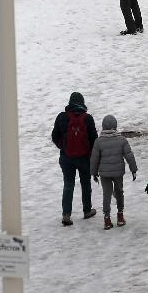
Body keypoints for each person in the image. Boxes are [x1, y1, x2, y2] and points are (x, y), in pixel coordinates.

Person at [51, 92, 99, 226]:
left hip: (66, 157)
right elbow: (94, 139)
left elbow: (54, 136)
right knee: (85, 183)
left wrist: (63, 146)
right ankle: (87, 210)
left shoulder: (61, 117)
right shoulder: (87, 118)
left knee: (68, 184)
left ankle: (66, 214)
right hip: (84, 158)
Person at [90, 114, 138, 230]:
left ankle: (107, 219)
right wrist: (133, 169)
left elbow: (94, 158)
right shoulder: (122, 140)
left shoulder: (98, 141)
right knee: (119, 192)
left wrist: (94, 173)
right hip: (118, 173)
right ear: (115, 126)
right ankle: (120, 216)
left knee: (106, 194)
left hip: (104, 174)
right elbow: (129, 156)